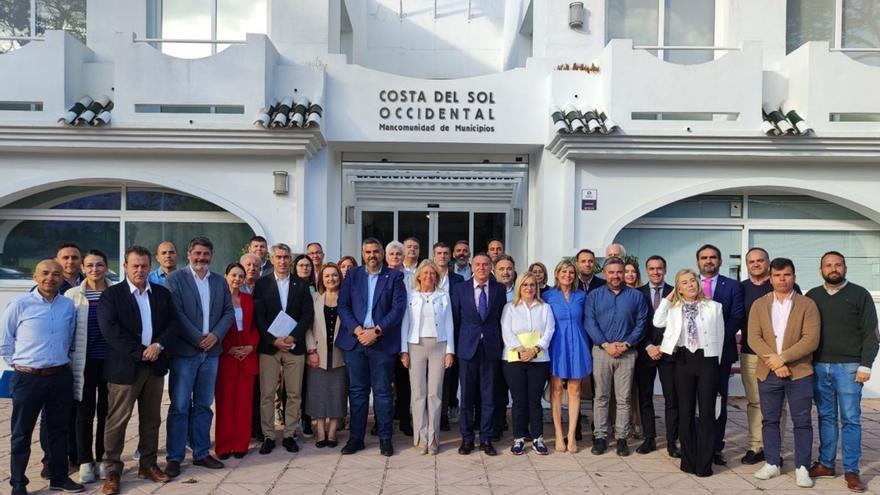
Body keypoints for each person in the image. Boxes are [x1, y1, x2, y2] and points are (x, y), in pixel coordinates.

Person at [98, 246, 178, 495]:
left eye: (144, 266)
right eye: (135, 266)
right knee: (117, 421)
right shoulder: (112, 295)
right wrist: (141, 351)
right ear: (125, 266)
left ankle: (148, 464)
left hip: (154, 367)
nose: (140, 270)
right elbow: (111, 330)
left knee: (152, 419)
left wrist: (158, 345)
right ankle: (112, 470)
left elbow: (173, 324)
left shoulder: (162, 294)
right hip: (125, 368)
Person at [1, 260, 83, 495]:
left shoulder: (68, 305)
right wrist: (22, 366)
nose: (51, 278)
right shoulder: (19, 304)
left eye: (56, 274)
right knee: (21, 433)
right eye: (45, 273)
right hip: (28, 378)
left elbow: (69, 339)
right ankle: (18, 483)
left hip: (59, 377)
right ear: (35, 276)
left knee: (59, 431)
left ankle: (59, 477)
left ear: (62, 278)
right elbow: (4, 343)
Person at [806, 251, 878, 493]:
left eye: (838, 265)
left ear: (845, 268)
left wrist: (865, 365)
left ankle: (851, 470)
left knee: (850, 419)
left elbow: (871, 333)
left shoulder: (860, 294)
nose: (833, 269)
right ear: (821, 270)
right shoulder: (813, 296)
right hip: (819, 366)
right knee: (825, 417)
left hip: (849, 367)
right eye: (828, 265)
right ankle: (826, 464)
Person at [164, 236, 234, 477]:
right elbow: (176, 314)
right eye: (198, 254)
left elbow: (228, 312)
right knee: (180, 406)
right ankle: (174, 456)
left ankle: (202, 452)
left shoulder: (219, 281)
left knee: (204, 405)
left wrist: (215, 335)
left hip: (211, 353)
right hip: (185, 353)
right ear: (189, 254)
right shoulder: (174, 279)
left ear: (211, 256)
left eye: (206, 254)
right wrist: (197, 338)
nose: (202, 258)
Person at [747, 258, 820, 488]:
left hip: (799, 372)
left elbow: (811, 340)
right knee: (769, 419)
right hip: (768, 373)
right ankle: (772, 462)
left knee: (802, 421)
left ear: (794, 277)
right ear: (770, 278)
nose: (782, 279)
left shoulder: (807, 304)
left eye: (786, 275)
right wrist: (775, 364)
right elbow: (753, 338)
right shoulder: (759, 304)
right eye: (777, 275)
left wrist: (783, 358)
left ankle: (802, 467)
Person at [338, 237, 407, 456]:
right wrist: (358, 331)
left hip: (382, 342)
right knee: (357, 393)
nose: (372, 256)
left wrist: (376, 331)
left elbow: (398, 309)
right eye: (368, 252)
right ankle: (356, 438)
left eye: (376, 251)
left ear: (382, 254)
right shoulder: (353, 275)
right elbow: (343, 305)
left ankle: (385, 439)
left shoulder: (395, 277)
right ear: (362, 254)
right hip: (355, 342)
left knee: (383, 393)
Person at [653, 269, 724, 478]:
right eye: (684, 282)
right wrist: (668, 298)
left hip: (707, 361)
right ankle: (688, 459)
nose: (690, 284)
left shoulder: (713, 306)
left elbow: (720, 337)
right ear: (679, 288)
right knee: (685, 411)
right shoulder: (674, 309)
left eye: (692, 280)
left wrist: (716, 365)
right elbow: (657, 321)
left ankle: (705, 462)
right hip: (683, 361)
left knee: (707, 412)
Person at [253, 243, 315, 454]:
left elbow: (307, 314)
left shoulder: (301, 284)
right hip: (269, 348)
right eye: (278, 257)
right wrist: (273, 340)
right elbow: (258, 316)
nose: (282, 261)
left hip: (294, 346)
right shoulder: (262, 284)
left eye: (286, 257)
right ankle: (269, 436)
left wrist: (292, 337)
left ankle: (289, 434)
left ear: (290, 259)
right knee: (267, 394)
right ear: (271, 259)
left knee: (294, 393)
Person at [585, 257, 648, 457]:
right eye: (611, 272)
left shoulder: (636, 296)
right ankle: (601, 437)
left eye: (619, 272)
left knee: (624, 398)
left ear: (624, 273)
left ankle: (621, 438)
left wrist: (627, 344)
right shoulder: (594, 296)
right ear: (604, 273)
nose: (615, 276)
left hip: (627, 352)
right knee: (601, 396)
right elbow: (590, 321)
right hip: (602, 351)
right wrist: (605, 344)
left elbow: (641, 323)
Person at [451, 253, 506, 456]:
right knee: (466, 396)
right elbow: (455, 320)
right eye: (478, 264)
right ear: (472, 267)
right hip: (467, 349)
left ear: (491, 267)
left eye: (485, 264)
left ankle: (486, 439)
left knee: (488, 396)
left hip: (491, 348)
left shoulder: (499, 289)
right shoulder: (460, 289)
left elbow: (502, 318)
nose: (482, 267)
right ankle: (467, 439)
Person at [65, 250, 112, 484]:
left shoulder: (115, 293)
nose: (95, 269)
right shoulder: (72, 295)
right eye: (90, 265)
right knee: (84, 414)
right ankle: (85, 461)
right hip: (83, 364)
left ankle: (102, 459)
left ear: (107, 267)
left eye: (100, 265)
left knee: (106, 413)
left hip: (110, 364)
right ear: (83, 268)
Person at [400, 260, 455, 454]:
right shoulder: (411, 295)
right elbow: (405, 323)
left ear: (436, 277)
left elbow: (449, 323)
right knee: (418, 393)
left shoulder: (443, 296)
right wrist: (403, 350)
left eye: (432, 274)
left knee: (435, 393)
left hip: (439, 345)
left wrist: (450, 351)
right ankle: (420, 438)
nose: (429, 277)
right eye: (425, 273)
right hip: (415, 345)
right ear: (419, 276)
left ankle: (433, 439)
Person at [696, 244, 744, 465]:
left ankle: (715, 446)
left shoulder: (732, 286)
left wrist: (715, 340)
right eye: (704, 258)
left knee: (717, 401)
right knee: (692, 400)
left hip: (720, 353)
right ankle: (696, 442)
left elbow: (736, 317)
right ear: (698, 261)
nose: (708, 261)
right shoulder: (688, 283)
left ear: (720, 260)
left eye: (712, 257)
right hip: (692, 355)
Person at [502, 272, 555, 455]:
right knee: (518, 400)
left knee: (534, 400)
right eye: (525, 285)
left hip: (539, 359)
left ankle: (537, 438)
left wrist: (535, 349)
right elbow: (506, 331)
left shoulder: (545, 308)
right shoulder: (510, 308)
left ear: (537, 287)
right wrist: (521, 350)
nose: (529, 288)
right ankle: (518, 438)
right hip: (515, 359)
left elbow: (550, 330)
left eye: (532, 285)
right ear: (519, 287)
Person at [633, 255, 678, 457]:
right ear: (646, 270)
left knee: (671, 398)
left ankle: (671, 442)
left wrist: (664, 346)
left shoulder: (675, 293)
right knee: (645, 397)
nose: (655, 272)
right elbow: (634, 324)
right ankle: (649, 438)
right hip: (645, 353)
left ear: (665, 269)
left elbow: (679, 325)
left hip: (669, 354)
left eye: (659, 268)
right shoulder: (637, 293)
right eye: (651, 268)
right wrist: (648, 346)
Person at [544, 259, 590, 453]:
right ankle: (557, 434)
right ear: (557, 274)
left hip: (578, 344)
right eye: (564, 272)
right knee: (555, 390)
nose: (567, 275)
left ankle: (571, 435)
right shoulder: (547, 296)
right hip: (557, 345)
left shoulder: (582, 295)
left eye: (571, 272)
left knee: (575, 390)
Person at [214, 263, 259, 460]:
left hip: (247, 353)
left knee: (244, 403)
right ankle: (223, 446)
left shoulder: (249, 300)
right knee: (224, 404)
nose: (237, 279)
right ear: (226, 276)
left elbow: (256, 326)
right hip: (226, 355)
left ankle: (241, 445)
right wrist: (228, 348)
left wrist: (251, 346)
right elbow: (215, 326)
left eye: (241, 276)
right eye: (234, 275)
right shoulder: (218, 299)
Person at [305, 263, 347, 448]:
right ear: (322, 279)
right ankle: (320, 430)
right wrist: (311, 351)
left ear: (340, 277)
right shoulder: (314, 299)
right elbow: (307, 327)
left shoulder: (347, 300)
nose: (331, 279)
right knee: (318, 393)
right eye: (327, 276)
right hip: (318, 353)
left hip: (340, 354)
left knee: (337, 393)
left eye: (334, 275)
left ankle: (332, 432)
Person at [431, 242, 464, 431]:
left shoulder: (458, 279)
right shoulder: (428, 276)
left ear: (450, 256)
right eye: (439, 253)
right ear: (434, 256)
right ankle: (436, 413)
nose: (443, 256)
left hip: (454, 331)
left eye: (445, 253)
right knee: (435, 376)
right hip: (432, 334)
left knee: (450, 374)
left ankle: (445, 412)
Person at [491, 254, 516, 438]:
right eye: (501, 269)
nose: (505, 272)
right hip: (495, 346)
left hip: (518, 348)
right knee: (497, 388)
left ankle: (521, 428)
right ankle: (498, 425)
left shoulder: (522, 289)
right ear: (494, 271)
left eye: (508, 268)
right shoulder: (490, 290)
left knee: (519, 389)